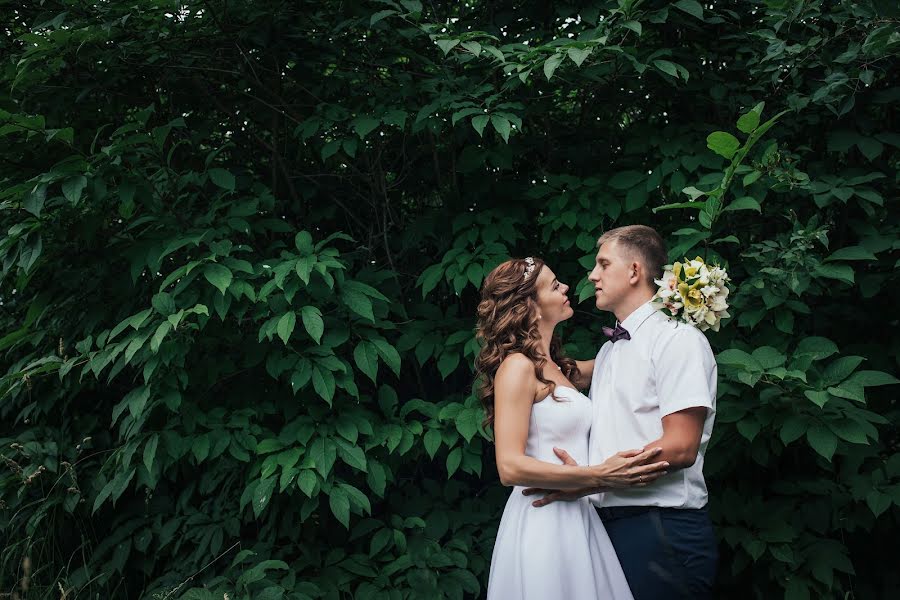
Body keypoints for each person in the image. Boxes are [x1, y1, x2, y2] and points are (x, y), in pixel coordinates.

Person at [525, 225, 719, 599]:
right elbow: (553, 373)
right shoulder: (612, 350)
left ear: (634, 271)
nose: (592, 275)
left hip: (661, 528)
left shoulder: (678, 341)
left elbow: (680, 448)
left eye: (602, 264)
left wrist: (591, 480)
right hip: (604, 527)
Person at [476, 255, 670, 600]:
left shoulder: (559, 368)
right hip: (543, 519)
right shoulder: (517, 368)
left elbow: (628, 355)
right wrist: (599, 476)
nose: (566, 287)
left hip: (578, 515)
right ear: (529, 306)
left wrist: (676, 305)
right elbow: (509, 467)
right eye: (553, 285)